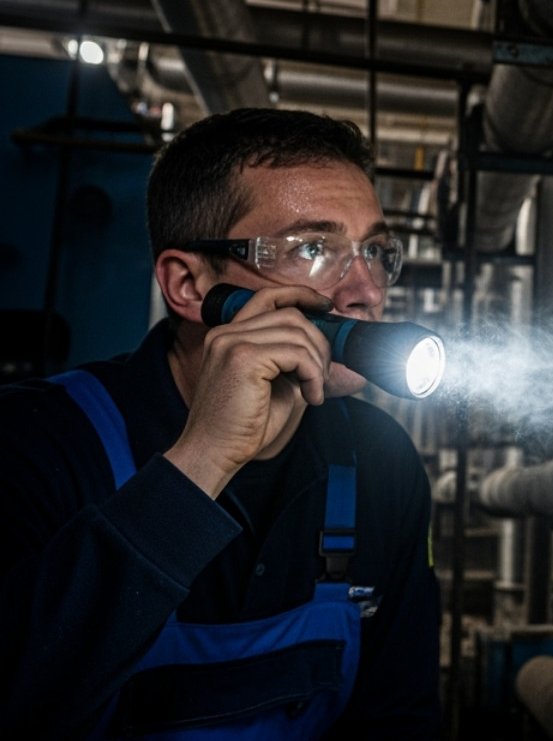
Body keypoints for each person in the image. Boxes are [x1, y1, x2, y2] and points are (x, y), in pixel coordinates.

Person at [0, 108, 441, 738]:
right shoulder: (36, 440)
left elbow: (398, 718)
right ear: (188, 284)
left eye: (373, 249)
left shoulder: (380, 459)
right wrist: (202, 459)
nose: (365, 289)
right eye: (313, 249)